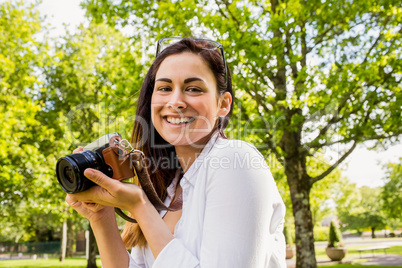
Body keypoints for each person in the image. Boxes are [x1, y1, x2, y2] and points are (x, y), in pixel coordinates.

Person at [66, 37, 286, 268]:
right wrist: (101, 217)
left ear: (223, 103)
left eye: (193, 88)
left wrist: (140, 206)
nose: (175, 101)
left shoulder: (236, 161)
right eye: (164, 88)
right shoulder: (167, 187)